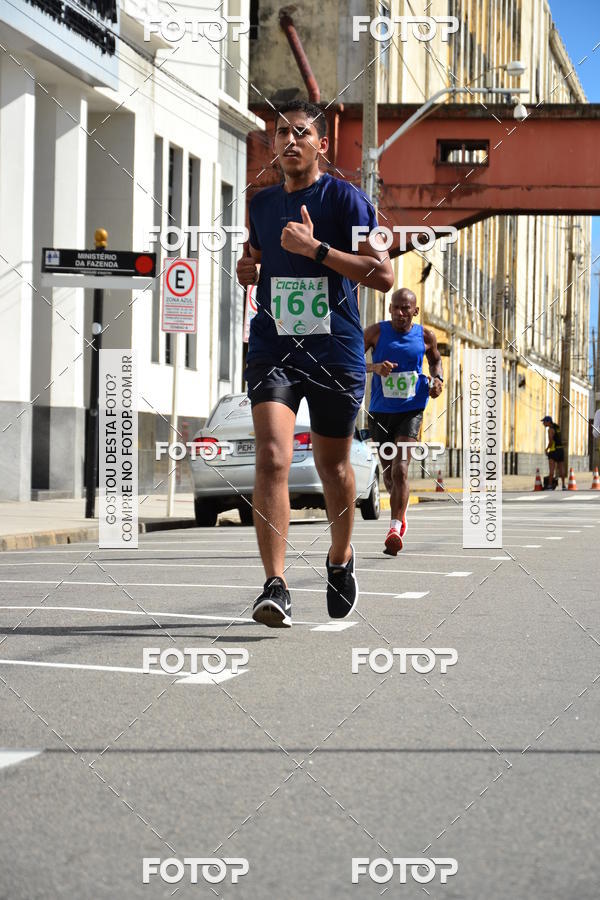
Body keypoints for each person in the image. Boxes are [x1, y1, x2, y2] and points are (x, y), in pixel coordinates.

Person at [236, 99, 394, 628]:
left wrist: (317, 250)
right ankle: (275, 585)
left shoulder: (349, 201)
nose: (289, 140)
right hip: (274, 345)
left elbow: (383, 275)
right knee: (274, 458)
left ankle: (340, 557)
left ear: (321, 144)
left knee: (334, 467)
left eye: (301, 132)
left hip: (335, 350)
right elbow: (256, 254)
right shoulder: (259, 204)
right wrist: (247, 267)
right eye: (281, 132)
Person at [364, 289, 443, 555]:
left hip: (412, 409)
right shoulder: (375, 333)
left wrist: (437, 380)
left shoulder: (425, 336)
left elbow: (436, 362)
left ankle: (394, 528)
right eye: (395, 308)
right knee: (388, 473)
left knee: (401, 470)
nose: (400, 313)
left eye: (405, 308)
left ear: (415, 311)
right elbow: (349, 360)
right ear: (389, 309)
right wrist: (375, 368)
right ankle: (401, 513)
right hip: (380, 411)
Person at [541, 415, 566, 489]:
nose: (543, 424)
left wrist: (547, 449)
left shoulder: (550, 429)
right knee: (561, 468)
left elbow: (551, 441)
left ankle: (549, 485)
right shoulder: (557, 427)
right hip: (560, 450)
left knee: (551, 469)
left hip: (553, 450)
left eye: (544, 422)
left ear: (548, 422)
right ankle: (564, 485)